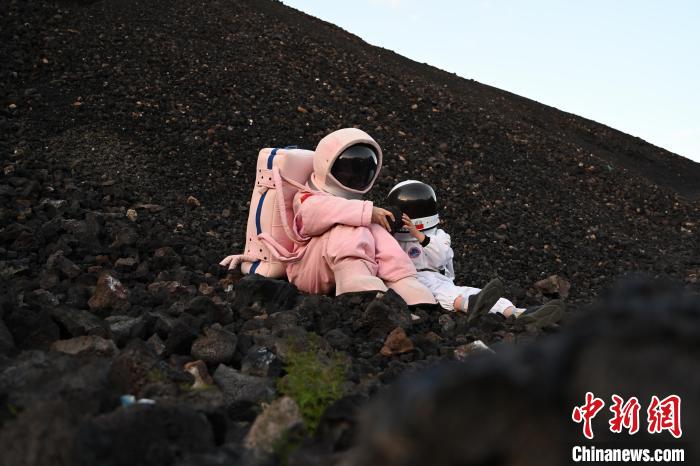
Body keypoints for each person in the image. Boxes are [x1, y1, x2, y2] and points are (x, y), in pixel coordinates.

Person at [239, 128, 437, 305]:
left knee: (375, 229)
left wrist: (368, 215)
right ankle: (355, 280)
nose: (352, 175)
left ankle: (403, 280)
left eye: (359, 170)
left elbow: (350, 210)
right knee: (351, 224)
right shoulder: (307, 197)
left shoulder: (352, 206)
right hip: (305, 271)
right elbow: (315, 215)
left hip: (330, 266)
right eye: (345, 168)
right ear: (327, 163)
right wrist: (367, 212)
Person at [387, 180, 565, 326]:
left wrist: (419, 236)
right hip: (414, 281)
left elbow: (440, 257)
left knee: (475, 292)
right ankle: (470, 306)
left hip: (440, 279)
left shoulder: (439, 236)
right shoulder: (393, 238)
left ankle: (518, 313)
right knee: (448, 295)